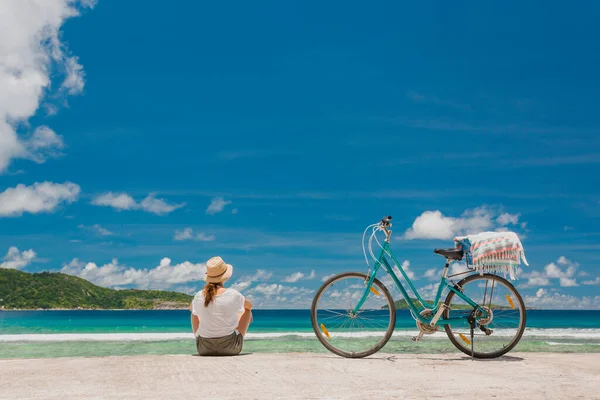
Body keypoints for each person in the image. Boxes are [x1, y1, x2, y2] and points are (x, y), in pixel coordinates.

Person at [190, 256, 253, 356]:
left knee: (194, 312)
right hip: (230, 348)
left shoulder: (199, 295)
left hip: (203, 349)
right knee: (247, 311)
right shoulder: (234, 294)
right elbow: (250, 306)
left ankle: (198, 337)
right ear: (225, 276)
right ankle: (236, 338)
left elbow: (192, 309)